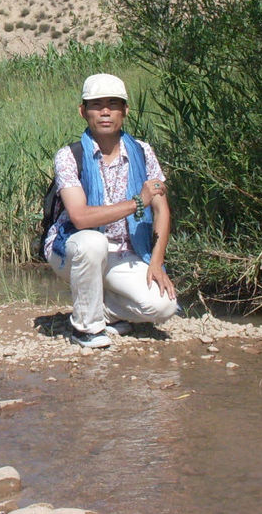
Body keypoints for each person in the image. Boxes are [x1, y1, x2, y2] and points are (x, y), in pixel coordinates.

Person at [44, 73, 178, 348]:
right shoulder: (69, 156)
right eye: (96, 105)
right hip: (71, 248)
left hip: (123, 252)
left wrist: (156, 261)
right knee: (93, 242)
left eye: (113, 104)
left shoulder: (142, 152)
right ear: (83, 112)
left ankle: (101, 309)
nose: (105, 112)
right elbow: (80, 218)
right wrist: (136, 202)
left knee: (164, 306)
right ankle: (87, 328)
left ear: (125, 111)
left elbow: (162, 209)